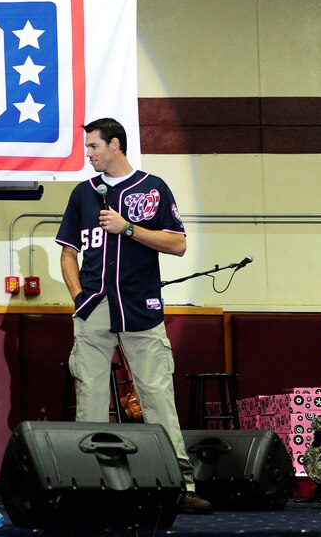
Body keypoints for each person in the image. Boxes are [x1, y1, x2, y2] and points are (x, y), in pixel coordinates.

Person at [55, 117, 213, 515]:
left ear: (116, 145)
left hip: (141, 307)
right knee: (90, 397)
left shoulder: (153, 188)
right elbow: (68, 252)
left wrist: (128, 229)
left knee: (157, 397)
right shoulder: (82, 194)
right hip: (93, 307)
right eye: (87, 147)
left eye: (93, 146)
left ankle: (180, 484)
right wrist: (78, 297)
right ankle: (88, 485)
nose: (88, 153)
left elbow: (177, 244)